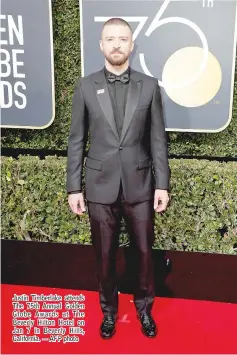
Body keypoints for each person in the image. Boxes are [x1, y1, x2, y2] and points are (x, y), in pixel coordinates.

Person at [66, 17, 170, 339]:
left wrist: (162, 183)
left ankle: (144, 309)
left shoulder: (149, 86)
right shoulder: (85, 86)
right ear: (101, 45)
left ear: (131, 44)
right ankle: (109, 312)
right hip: (99, 187)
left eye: (122, 39)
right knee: (105, 255)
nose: (116, 44)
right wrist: (74, 187)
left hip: (139, 185)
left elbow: (157, 139)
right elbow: (76, 140)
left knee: (142, 254)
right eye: (110, 39)